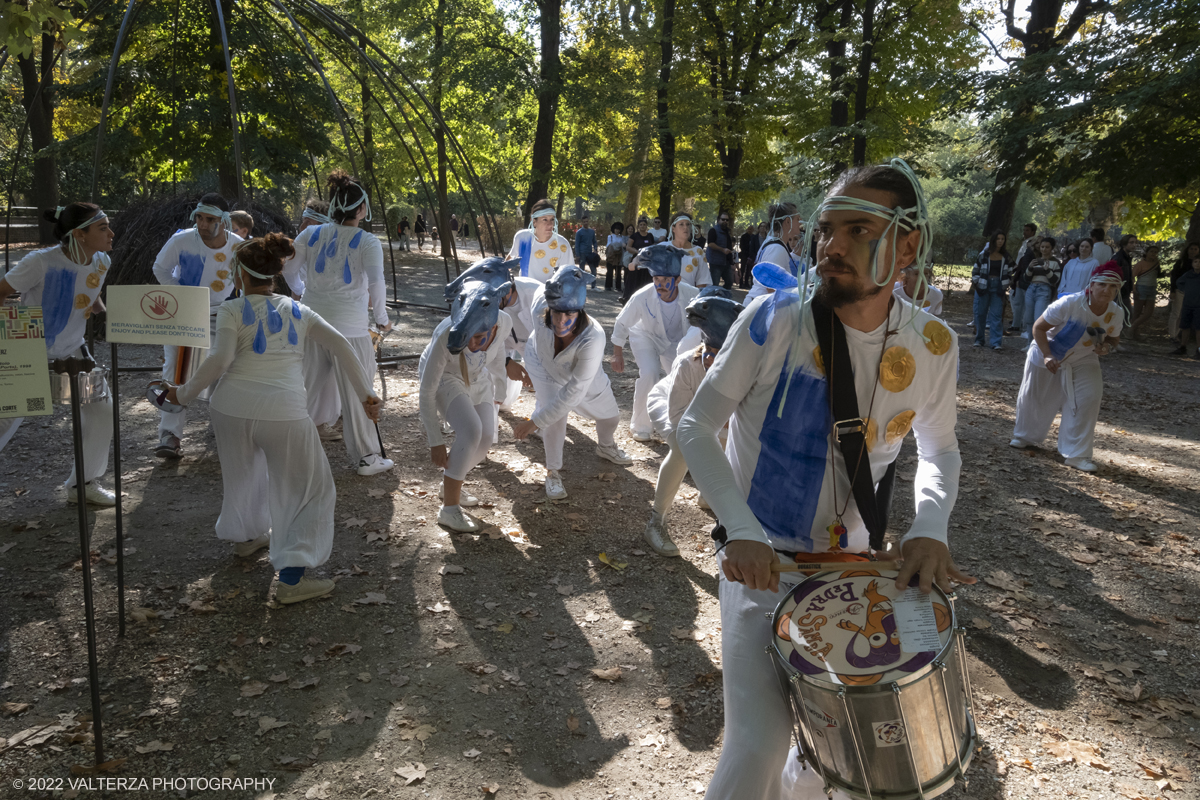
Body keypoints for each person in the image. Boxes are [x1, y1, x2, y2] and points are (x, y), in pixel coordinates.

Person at [677, 159, 972, 800]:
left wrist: (929, 526)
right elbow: (697, 427)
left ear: (907, 244)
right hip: (763, 567)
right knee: (758, 748)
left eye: (858, 229)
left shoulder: (934, 346)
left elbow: (940, 449)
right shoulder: (773, 323)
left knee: (834, 757)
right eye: (827, 229)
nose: (832, 246)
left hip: (853, 578)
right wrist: (742, 530)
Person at [165, 234, 381, 604]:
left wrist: (182, 394)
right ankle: (292, 578)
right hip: (284, 412)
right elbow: (343, 345)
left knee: (243, 475)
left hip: (229, 408)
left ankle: (247, 538)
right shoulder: (300, 310)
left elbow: (219, 361)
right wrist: (366, 396)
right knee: (310, 488)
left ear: (239, 276)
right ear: (275, 276)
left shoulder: (232, 309)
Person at [0, 203, 116, 506]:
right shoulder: (40, 262)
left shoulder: (101, 261)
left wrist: (108, 312)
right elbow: (1, 291)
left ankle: (83, 484)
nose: (111, 234)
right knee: (4, 420)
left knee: (102, 412)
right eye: (103, 228)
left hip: (74, 351)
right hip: (29, 353)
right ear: (79, 234)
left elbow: (92, 294)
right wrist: (10, 340)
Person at [282, 170, 394, 476]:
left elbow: (289, 270)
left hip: (312, 323)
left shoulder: (309, 235)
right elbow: (377, 284)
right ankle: (367, 457)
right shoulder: (367, 241)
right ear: (361, 209)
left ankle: (283, 447)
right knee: (359, 393)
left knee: (303, 389)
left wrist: (302, 291)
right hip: (351, 330)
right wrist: (382, 320)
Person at [513, 266, 633, 499]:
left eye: (569, 314)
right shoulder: (541, 304)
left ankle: (606, 447)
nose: (560, 321)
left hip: (581, 376)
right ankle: (553, 472)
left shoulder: (593, 336)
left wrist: (533, 422)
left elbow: (575, 390)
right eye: (556, 312)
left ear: (580, 311)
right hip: (541, 362)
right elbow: (522, 287)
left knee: (611, 417)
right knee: (554, 416)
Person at [643, 294, 744, 556]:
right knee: (683, 449)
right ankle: (656, 521)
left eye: (720, 356)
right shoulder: (689, 363)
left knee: (732, 446)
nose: (711, 361)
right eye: (709, 354)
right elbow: (679, 416)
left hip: (711, 417)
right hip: (671, 406)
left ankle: (708, 496)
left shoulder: (746, 368)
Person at [150, 193, 245, 458]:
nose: (203, 225)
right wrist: (182, 296)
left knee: (225, 370)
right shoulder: (181, 240)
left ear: (224, 220)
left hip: (223, 314)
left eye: (210, 220)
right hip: (185, 316)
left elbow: (246, 279)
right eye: (199, 218)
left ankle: (225, 428)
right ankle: (170, 436)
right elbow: (161, 269)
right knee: (176, 373)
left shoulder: (238, 246)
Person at [1011, 263, 1124, 471]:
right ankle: (1025, 435)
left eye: (1112, 287)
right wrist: (1047, 355)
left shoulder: (1116, 313)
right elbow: (1038, 328)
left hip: (1084, 358)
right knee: (1036, 396)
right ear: (1091, 285)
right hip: (1046, 350)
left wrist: (1106, 347)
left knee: (1089, 397)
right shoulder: (1069, 303)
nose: (1107, 290)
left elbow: (1114, 339)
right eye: (1102, 285)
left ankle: (1077, 454)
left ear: (1118, 290)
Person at [421, 279, 513, 532]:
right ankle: (449, 509)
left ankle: (451, 483)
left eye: (479, 337)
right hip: (445, 376)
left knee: (485, 438)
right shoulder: (445, 333)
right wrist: (435, 440)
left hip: (477, 376)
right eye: (467, 337)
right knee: (470, 430)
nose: (472, 344)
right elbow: (426, 390)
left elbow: (495, 351)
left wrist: (501, 387)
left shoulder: (503, 322)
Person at [612, 242, 701, 442]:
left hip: (676, 342)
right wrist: (617, 354)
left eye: (665, 279)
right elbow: (622, 324)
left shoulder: (693, 296)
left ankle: (678, 426)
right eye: (656, 279)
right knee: (650, 373)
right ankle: (641, 426)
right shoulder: (642, 297)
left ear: (677, 280)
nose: (659, 284)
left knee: (681, 379)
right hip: (646, 337)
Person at [506, 199, 575, 283]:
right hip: (523, 292)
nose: (550, 224)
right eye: (545, 219)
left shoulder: (562, 245)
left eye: (552, 219)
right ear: (534, 222)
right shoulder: (522, 238)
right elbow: (508, 263)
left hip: (547, 294)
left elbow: (570, 276)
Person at [747, 202, 803, 302]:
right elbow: (771, 287)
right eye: (797, 219)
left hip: (760, 304)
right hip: (761, 308)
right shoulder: (777, 248)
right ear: (787, 221)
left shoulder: (775, 244)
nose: (800, 222)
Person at [971, 231, 1013, 350]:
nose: (1000, 241)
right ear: (993, 240)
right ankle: (979, 339)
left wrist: (1006, 283)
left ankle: (996, 343)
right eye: (998, 239)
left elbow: (1011, 271)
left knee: (996, 315)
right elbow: (975, 271)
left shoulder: (1006, 256)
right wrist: (978, 283)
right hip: (983, 285)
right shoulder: (984, 254)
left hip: (998, 287)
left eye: (1003, 239)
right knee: (980, 314)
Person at [1022, 237, 1062, 337]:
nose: (1044, 249)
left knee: (1038, 319)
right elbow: (1026, 278)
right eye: (1042, 247)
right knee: (1029, 318)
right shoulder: (1035, 261)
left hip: (1044, 290)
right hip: (1031, 289)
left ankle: (1037, 346)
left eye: (1047, 247)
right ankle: (1029, 343)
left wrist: (1047, 270)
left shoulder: (1055, 262)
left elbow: (1055, 280)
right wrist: (1030, 267)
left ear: (1052, 248)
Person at [665, 212, 710, 288]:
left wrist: (695, 298)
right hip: (663, 297)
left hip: (688, 297)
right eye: (681, 224)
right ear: (673, 228)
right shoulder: (662, 248)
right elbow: (643, 257)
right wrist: (637, 260)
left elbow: (703, 280)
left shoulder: (698, 252)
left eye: (688, 224)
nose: (685, 227)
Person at [1168, 242, 1199, 341]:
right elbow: (1174, 278)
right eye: (1191, 249)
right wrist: (1172, 290)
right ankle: (1172, 335)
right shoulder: (1181, 262)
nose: (1193, 251)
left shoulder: (1198, 263)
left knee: (1183, 315)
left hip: (1193, 294)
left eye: (1195, 249)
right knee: (1176, 313)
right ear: (1187, 250)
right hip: (1180, 291)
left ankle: (1178, 334)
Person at [1128, 244, 1160, 339]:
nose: (1153, 254)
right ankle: (1134, 334)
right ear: (1146, 253)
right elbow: (1132, 277)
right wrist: (1134, 290)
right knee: (1137, 312)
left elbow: (1158, 275)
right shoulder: (1140, 264)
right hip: (1141, 288)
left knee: (1148, 313)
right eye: (1151, 251)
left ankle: (1131, 328)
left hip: (1152, 288)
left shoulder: (1157, 263)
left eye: (1155, 252)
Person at [1170, 257, 1200, 357]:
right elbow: (1179, 282)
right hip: (1187, 304)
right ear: (1192, 263)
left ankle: (1198, 350)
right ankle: (1183, 347)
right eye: (1195, 262)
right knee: (1185, 326)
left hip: (1198, 306)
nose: (1197, 264)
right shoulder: (1188, 274)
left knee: (1198, 328)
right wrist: (1185, 290)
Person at [623, 217, 655, 303]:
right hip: (636, 260)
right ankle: (628, 297)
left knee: (646, 279)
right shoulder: (634, 236)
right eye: (641, 225)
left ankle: (646, 298)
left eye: (644, 225)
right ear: (638, 226)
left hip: (647, 261)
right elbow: (628, 247)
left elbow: (652, 246)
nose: (642, 226)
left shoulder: (650, 236)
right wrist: (637, 252)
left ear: (646, 226)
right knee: (633, 279)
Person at [705, 211, 736, 290]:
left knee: (729, 282)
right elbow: (710, 244)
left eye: (727, 220)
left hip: (726, 262)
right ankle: (712, 299)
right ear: (718, 220)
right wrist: (722, 250)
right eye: (723, 219)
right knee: (714, 284)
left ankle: (722, 296)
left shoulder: (727, 232)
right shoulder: (713, 230)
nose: (725, 221)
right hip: (716, 262)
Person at [1113, 233, 1138, 321]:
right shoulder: (1118, 258)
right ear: (1124, 244)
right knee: (1123, 317)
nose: (1134, 245)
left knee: (1126, 317)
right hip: (1119, 293)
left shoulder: (1126, 257)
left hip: (1125, 292)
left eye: (1135, 243)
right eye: (1131, 242)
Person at [573, 217, 598, 288]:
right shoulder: (579, 232)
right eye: (584, 222)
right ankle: (581, 285)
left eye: (587, 221)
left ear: (588, 221)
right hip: (582, 253)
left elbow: (594, 241)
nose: (586, 223)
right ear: (582, 223)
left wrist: (595, 249)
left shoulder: (592, 231)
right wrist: (577, 254)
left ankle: (593, 286)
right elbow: (577, 244)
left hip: (590, 253)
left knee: (593, 270)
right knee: (581, 270)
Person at [604, 221, 626, 293]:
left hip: (619, 256)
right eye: (616, 229)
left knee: (618, 272)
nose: (617, 231)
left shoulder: (622, 237)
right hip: (611, 255)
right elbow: (608, 245)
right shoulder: (610, 236)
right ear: (613, 229)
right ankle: (608, 286)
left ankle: (618, 287)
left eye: (618, 229)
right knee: (609, 271)